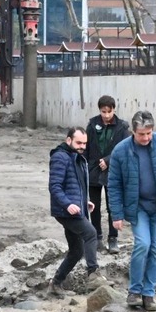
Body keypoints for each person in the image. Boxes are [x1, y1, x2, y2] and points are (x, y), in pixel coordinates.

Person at [106, 110, 156, 310]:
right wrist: (116, 215)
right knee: (143, 244)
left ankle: (148, 294)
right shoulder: (121, 151)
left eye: (149, 133)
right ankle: (134, 291)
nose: (146, 138)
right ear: (133, 132)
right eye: (141, 134)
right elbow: (113, 185)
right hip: (137, 207)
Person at [47, 125, 99, 293]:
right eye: (78, 143)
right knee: (91, 233)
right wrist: (68, 204)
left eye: (84, 143)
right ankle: (94, 274)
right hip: (66, 211)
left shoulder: (77, 157)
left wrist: (85, 202)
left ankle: (56, 284)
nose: (82, 146)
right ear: (68, 140)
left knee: (77, 251)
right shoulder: (61, 157)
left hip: (76, 209)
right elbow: (54, 186)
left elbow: (78, 186)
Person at [84, 96, 127, 251]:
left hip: (113, 171)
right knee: (94, 206)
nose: (107, 115)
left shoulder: (122, 127)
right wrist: (86, 166)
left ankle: (113, 238)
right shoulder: (92, 124)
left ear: (114, 109)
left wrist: (108, 160)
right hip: (94, 170)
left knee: (113, 206)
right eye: (104, 111)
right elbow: (86, 148)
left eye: (109, 111)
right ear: (99, 110)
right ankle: (97, 237)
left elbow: (124, 149)